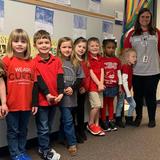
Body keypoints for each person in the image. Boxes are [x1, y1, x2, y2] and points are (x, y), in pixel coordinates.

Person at [2, 28, 37, 160]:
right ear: (11, 43)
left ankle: (21, 151)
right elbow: (1, 84)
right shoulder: (6, 61)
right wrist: (2, 104)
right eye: (16, 41)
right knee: (13, 131)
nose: (19, 44)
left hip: (26, 105)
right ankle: (15, 154)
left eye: (23, 41)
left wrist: (34, 103)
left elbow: (35, 84)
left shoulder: (32, 62)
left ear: (27, 44)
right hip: (11, 105)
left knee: (23, 130)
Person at [124, 8, 160, 128]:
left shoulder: (156, 32)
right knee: (137, 96)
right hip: (136, 71)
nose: (145, 19)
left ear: (150, 19)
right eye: (143, 17)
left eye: (147, 17)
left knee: (151, 96)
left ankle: (151, 119)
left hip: (153, 71)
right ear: (138, 18)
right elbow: (126, 53)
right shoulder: (131, 33)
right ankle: (138, 117)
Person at [33, 30, 64, 160]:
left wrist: (61, 93)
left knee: (49, 126)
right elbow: (38, 81)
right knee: (44, 127)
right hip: (42, 101)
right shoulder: (34, 62)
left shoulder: (56, 60)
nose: (44, 45)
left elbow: (60, 77)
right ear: (35, 45)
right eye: (40, 43)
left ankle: (43, 146)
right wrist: (47, 94)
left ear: (51, 44)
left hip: (55, 100)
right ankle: (44, 150)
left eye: (46, 42)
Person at [57, 37, 84, 156]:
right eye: (64, 47)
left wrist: (72, 88)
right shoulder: (56, 61)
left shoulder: (76, 62)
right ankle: (72, 143)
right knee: (68, 120)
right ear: (59, 48)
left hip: (72, 96)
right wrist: (62, 88)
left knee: (65, 119)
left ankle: (61, 137)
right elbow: (53, 77)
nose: (67, 49)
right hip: (61, 96)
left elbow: (80, 78)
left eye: (69, 47)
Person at [100, 38, 122, 131]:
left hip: (114, 85)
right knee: (104, 104)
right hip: (105, 86)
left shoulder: (117, 60)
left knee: (111, 103)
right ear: (104, 48)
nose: (111, 49)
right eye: (108, 47)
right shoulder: (101, 60)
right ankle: (104, 121)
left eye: (113, 48)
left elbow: (119, 73)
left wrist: (120, 86)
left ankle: (111, 120)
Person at [86, 37, 105, 136]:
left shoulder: (100, 57)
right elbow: (91, 72)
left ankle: (97, 125)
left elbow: (102, 71)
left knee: (99, 106)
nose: (95, 47)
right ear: (88, 48)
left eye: (97, 45)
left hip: (100, 86)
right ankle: (90, 124)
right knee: (96, 105)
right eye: (92, 46)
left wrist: (101, 83)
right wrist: (98, 83)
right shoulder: (88, 58)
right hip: (93, 86)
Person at [73, 37, 89, 143]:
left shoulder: (85, 62)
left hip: (83, 91)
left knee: (80, 111)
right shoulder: (72, 61)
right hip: (73, 91)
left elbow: (87, 76)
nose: (81, 49)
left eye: (84, 47)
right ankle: (74, 132)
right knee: (72, 113)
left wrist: (85, 88)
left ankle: (81, 130)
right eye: (79, 46)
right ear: (74, 46)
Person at [116, 48, 137, 127]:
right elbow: (124, 81)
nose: (135, 59)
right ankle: (118, 119)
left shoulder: (130, 66)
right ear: (127, 58)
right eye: (133, 57)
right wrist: (128, 93)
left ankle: (128, 118)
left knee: (131, 104)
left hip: (127, 90)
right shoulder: (125, 66)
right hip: (123, 90)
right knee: (121, 104)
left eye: (136, 57)